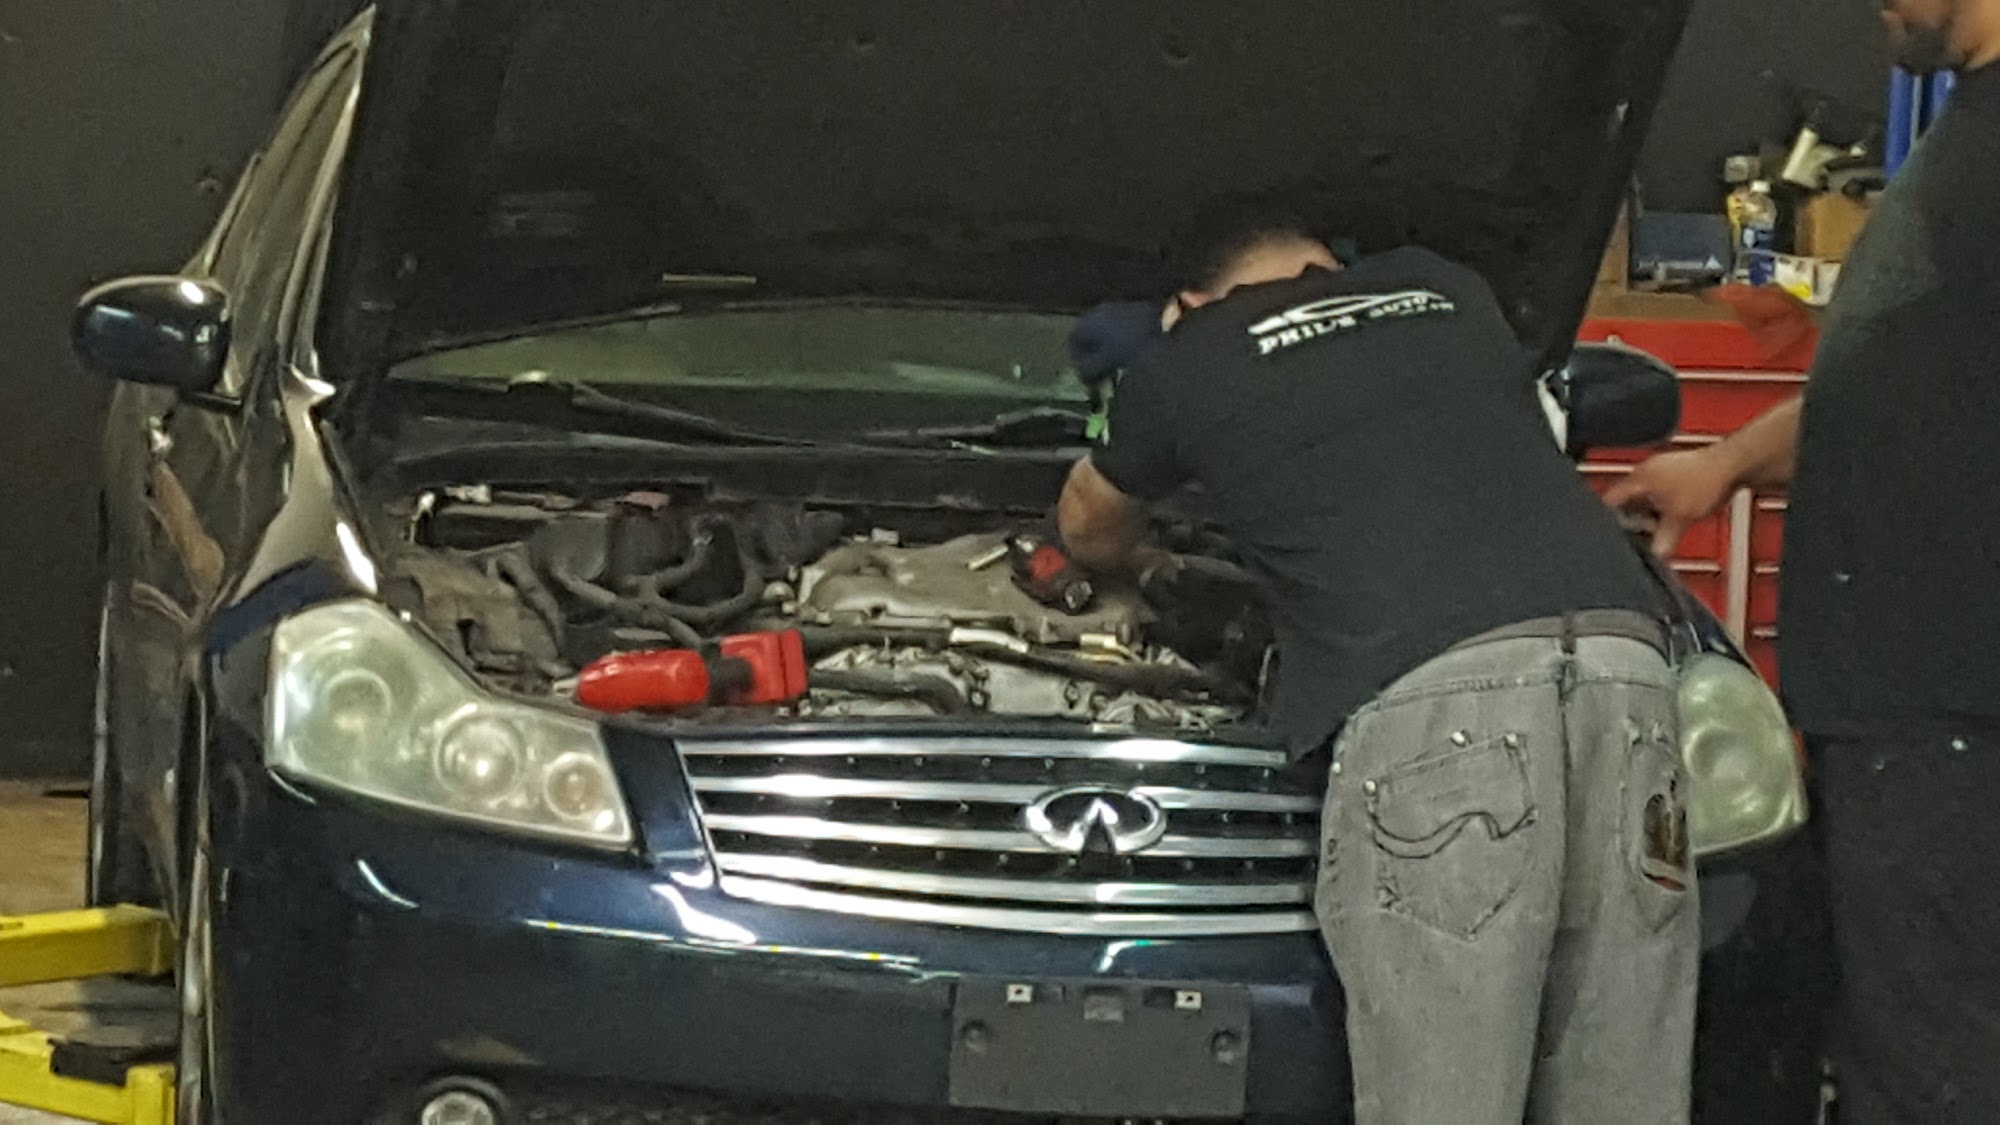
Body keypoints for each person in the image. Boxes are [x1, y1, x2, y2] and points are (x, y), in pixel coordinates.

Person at [1057, 200, 1699, 1124]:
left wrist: (1150, 562)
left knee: (1444, 1098)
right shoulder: (1449, 289)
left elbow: (1085, 525)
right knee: (1621, 1094)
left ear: (1189, 302)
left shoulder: (1190, 353)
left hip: (1443, 708)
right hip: (1627, 670)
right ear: (1326, 261)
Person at [1603, 3, 2000, 1120]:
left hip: (1952, 715)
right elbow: (1902, 381)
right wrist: (1723, 465)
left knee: (1937, 1070)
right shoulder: (1968, 134)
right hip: (1902, 717)